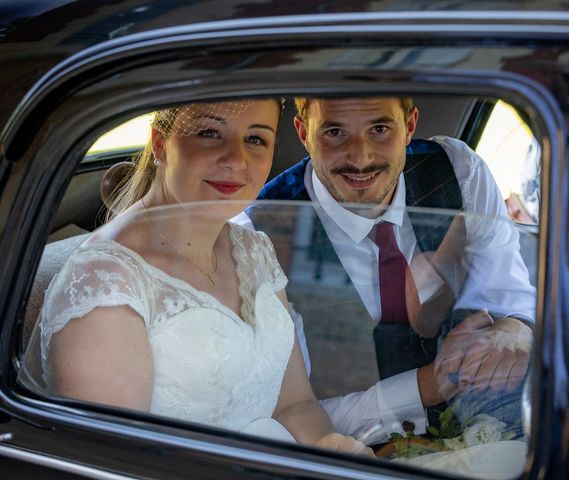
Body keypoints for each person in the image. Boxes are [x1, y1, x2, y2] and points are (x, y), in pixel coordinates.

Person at [33, 99, 372, 456]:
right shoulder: (106, 286)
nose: (236, 160)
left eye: (255, 139)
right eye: (210, 133)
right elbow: (113, 463)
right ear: (161, 143)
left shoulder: (254, 250)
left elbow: (294, 404)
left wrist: (331, 450)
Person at [252, 96, 537, 442]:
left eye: (380, 129)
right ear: (304, 134)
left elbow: (511, 300)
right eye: (335, 132)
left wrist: (515, 328)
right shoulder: (261, 237)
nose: (361, 157)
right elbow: (293, 414)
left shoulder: (460, 172)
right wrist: (426, 386)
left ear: (409, 126)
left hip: (489, 429)